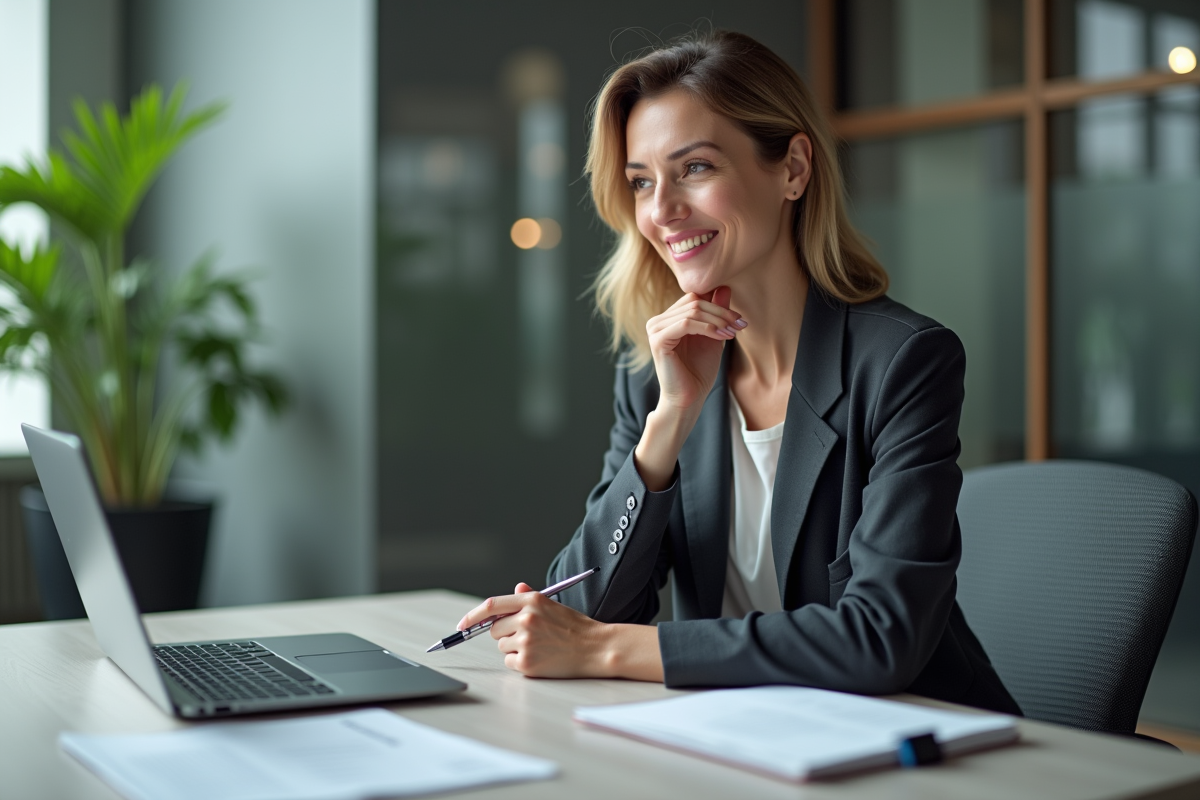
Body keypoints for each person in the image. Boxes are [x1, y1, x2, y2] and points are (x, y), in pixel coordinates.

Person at [457, 30, 1020, 715]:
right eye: (641, 181)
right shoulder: (653, 375)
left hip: (914, 737)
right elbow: (588, 604)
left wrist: (608, 650)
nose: (661, 211)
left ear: (793, 169)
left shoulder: (903, 363)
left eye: (694, 168)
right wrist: (668, 427)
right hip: (737, 731)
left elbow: (880, 639)